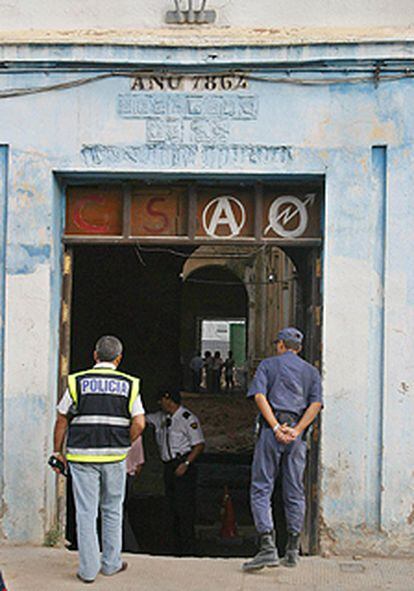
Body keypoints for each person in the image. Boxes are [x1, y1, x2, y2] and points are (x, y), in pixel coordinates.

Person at [52, 335, 145, 583]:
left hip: (82, 457)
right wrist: (125, 441)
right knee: (112, 509)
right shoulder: (129, 384)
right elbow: (140, 422)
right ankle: (111, 563)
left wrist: (56, 451)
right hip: (114, 457)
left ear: (95, 355)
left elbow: (62, 418)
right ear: (118, 358)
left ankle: (88, 570)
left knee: (86, 512)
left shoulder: (77, 382)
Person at [243, 327, 322, 571]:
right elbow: (316, 404)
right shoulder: (311, 372)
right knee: (294, 490)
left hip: (272, 432)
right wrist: (297, 430)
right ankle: (292, 549)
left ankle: (267, 546)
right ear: (298, 348)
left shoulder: (268, 365)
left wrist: (276, 427)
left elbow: (259, 396)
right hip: (296, 438)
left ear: (280, 345)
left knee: (261, 488)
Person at [146, 388, 205, 556]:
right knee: (171, 506)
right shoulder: (161, 418)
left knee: (185, 507)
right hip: (169, 466)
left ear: (168, 399)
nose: (159, 403)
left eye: (161, 400)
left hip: (183, 465)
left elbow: (199, 444)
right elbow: (142, 419)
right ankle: (175, 546)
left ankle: (188, 547)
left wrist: (186, 463)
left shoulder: (187, 418)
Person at [123, 435, 145, 552]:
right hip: (128, 475)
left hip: (120, 475)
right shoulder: (137, 437)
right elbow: (139, 464)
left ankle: (129, 545)